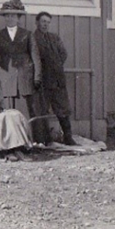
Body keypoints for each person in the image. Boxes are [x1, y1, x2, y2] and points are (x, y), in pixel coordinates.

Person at [0, 0, 48, 144]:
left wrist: (37, 77)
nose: (10, 18)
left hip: (25, 78)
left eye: (13, 15)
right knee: (9, 111)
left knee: (28, 110)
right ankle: (14, 143)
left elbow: (36, 57)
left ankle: (32, 142)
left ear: (18, 17)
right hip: (7, 77)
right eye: (7, 15)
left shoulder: (27, 35)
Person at [33, 11, 77, 146]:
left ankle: (68, 137)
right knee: (42, 109)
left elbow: (63, 54)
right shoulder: (33, 38)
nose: (45, 24)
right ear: (37, 23)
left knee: (63, 109)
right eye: (43, 21)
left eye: (47, 22)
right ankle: (45, 139)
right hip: (42, 81)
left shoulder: (54, 37)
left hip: (57, 80)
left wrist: (55, 67)